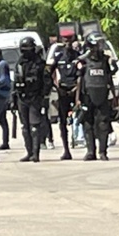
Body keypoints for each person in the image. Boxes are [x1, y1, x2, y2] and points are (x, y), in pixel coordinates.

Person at [75, 33, 115, 161]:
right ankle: (90, 151)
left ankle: (102, 152)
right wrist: (77, 98)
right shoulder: (84, 61)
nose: (99, 48)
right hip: (87, 96)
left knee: (103, 124)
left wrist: (114, 96)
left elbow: (109, 78)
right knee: (88, 124)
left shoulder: (105, 60)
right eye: (97, 45)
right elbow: (79, 80)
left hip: (102, 96)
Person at [14, 37, 53, 162]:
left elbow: (47, 81)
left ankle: (36, 153)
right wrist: (13, 98)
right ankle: (29, 152)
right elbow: (15, 80)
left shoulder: (40, 63)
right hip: (22, 97)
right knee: (25, 127)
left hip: (35, 97)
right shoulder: (20, 63)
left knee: (34, 126)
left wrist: (44, 96)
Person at [50, 29, 80, 160]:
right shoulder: (58, 56)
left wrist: (77, 88)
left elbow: (82, 74)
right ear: (62, 40)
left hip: (76, 91)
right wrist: (56, 87)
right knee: (62, 122)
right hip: (63, 91)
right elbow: (49, 73)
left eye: (70, 39)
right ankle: (66, 150)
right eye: (65, 39)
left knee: (85, 118)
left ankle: (89, 148)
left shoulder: (78, 56)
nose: (67, 42)